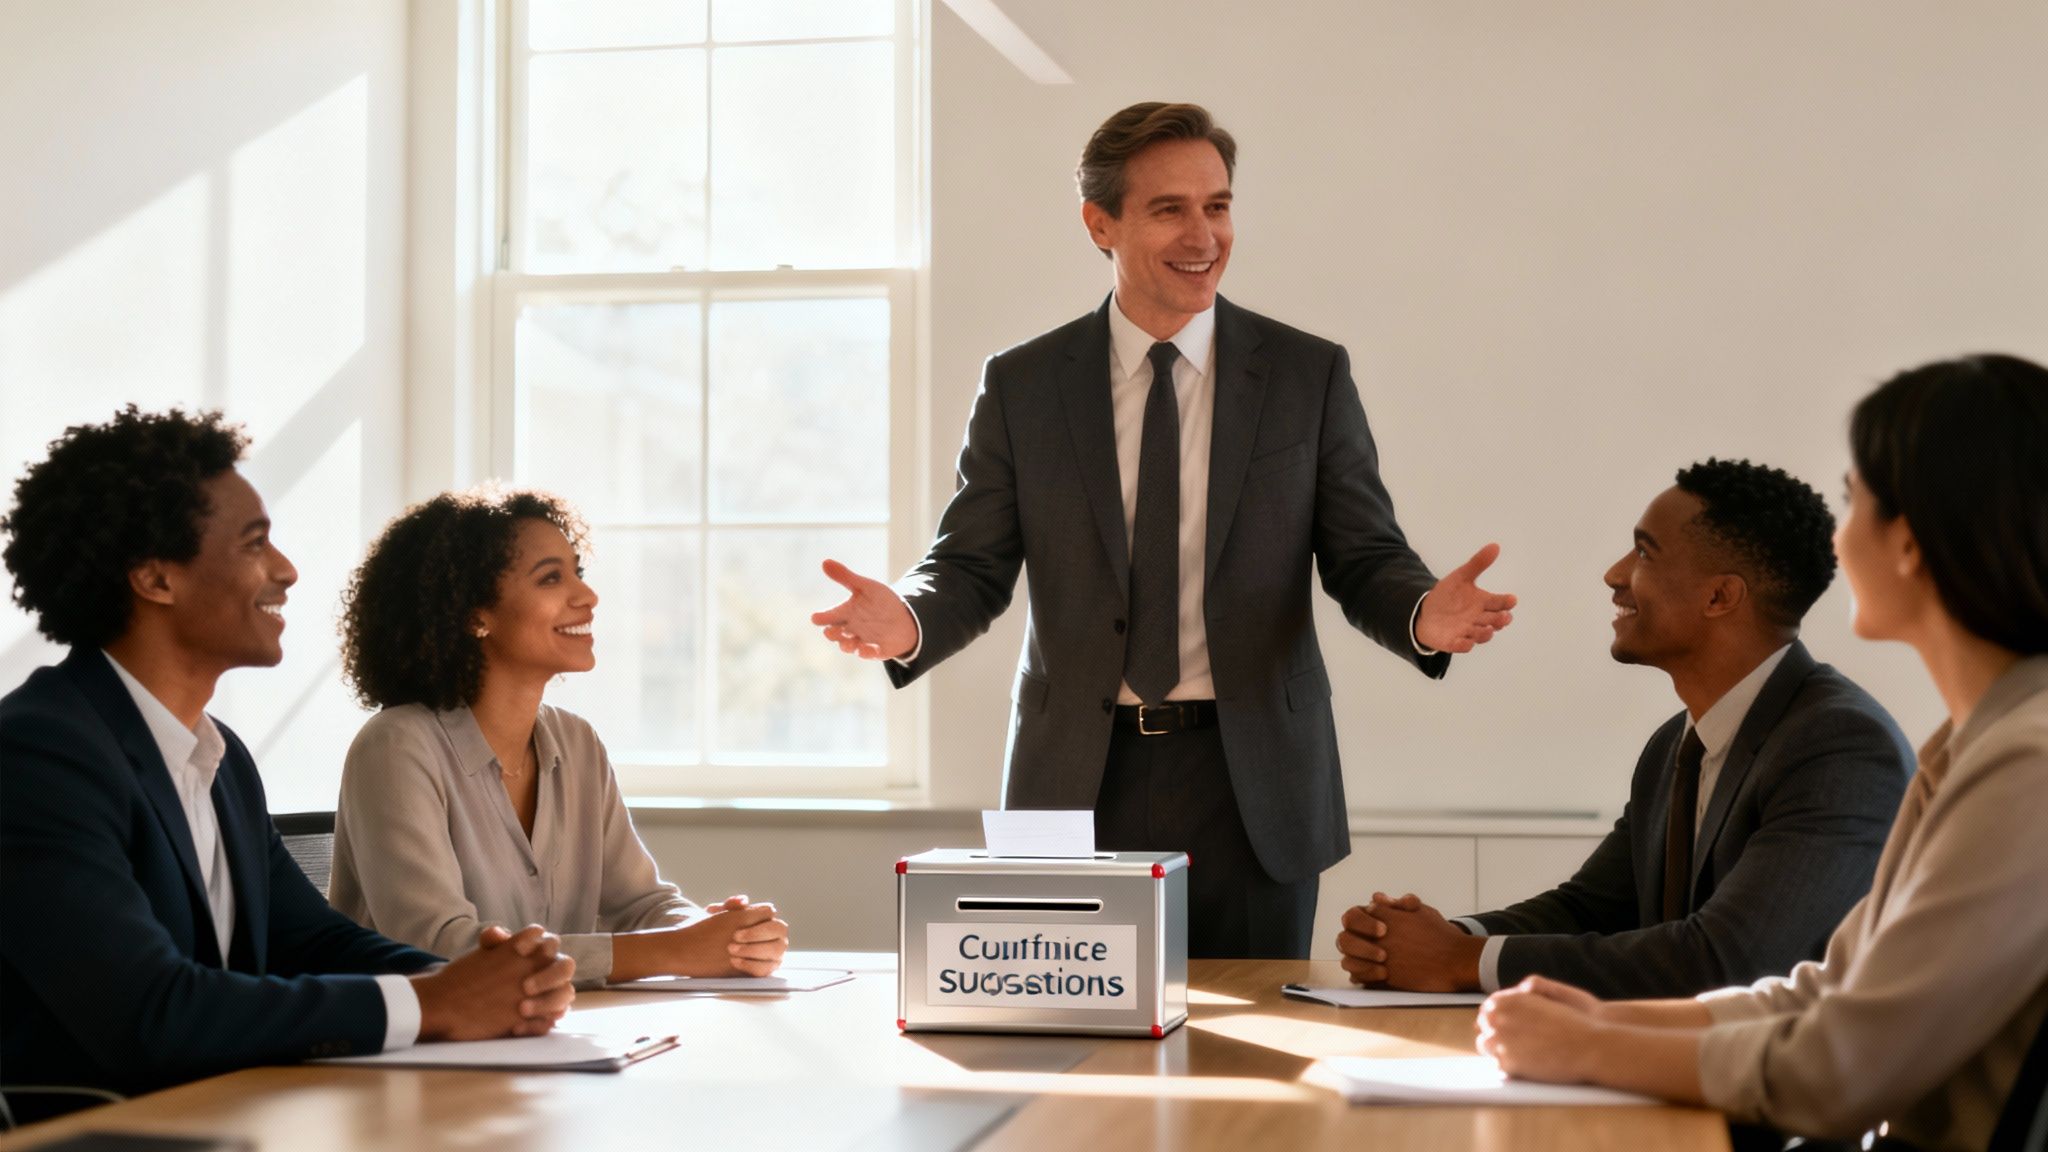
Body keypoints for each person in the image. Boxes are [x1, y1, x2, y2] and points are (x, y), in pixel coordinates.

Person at [808, 102, 1516, 960]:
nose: (1203, 234)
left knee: (1257, 1062)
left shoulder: (1305, 375)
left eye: (1217, 205)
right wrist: (911, 618)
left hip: (1253, 781)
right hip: (1075, 775)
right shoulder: (1024, 385)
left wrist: (1418, 615)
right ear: (1099, 223)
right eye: (1169, 208)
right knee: (1070, 1061)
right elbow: (969, 564)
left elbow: (1364, 554)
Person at [1474, 354, 2048, 1151]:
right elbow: (1830, 991)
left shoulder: (2027, 763)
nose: (1838, 543)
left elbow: (1844, 1066)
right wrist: (1603, 1019)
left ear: (1910, 543)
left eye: (1854, 504)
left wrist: (1592, 1046)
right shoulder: (1970, 744)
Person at [0, 408, 576, 1117]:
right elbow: (149, 1011)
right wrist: (433, 1001)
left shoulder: (219, 757)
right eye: (254, 544)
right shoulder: (39, 753)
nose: (287, 570)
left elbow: (309, 940)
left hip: (232, 1112)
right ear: (156, 578)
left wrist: (481, 978)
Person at [1336, 459, 1913, 998]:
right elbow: (1590, 909)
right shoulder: (1675, 745)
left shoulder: (1840, 746)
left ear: (1719, 596)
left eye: (1645, 553)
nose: (1614, 574)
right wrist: (1439, 938)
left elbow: (1728, 960)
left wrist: (1460, 962)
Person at [327, 488, 789, 987]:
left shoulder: (577, 743)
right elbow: (436, 947)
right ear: (473, 614)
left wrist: (715, 933)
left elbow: (641, 904)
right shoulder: (396, 748)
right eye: (551, 577)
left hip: (548, 1042)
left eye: (578, 573)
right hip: (410, 1055)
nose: (586, 596)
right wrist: (671, 950)